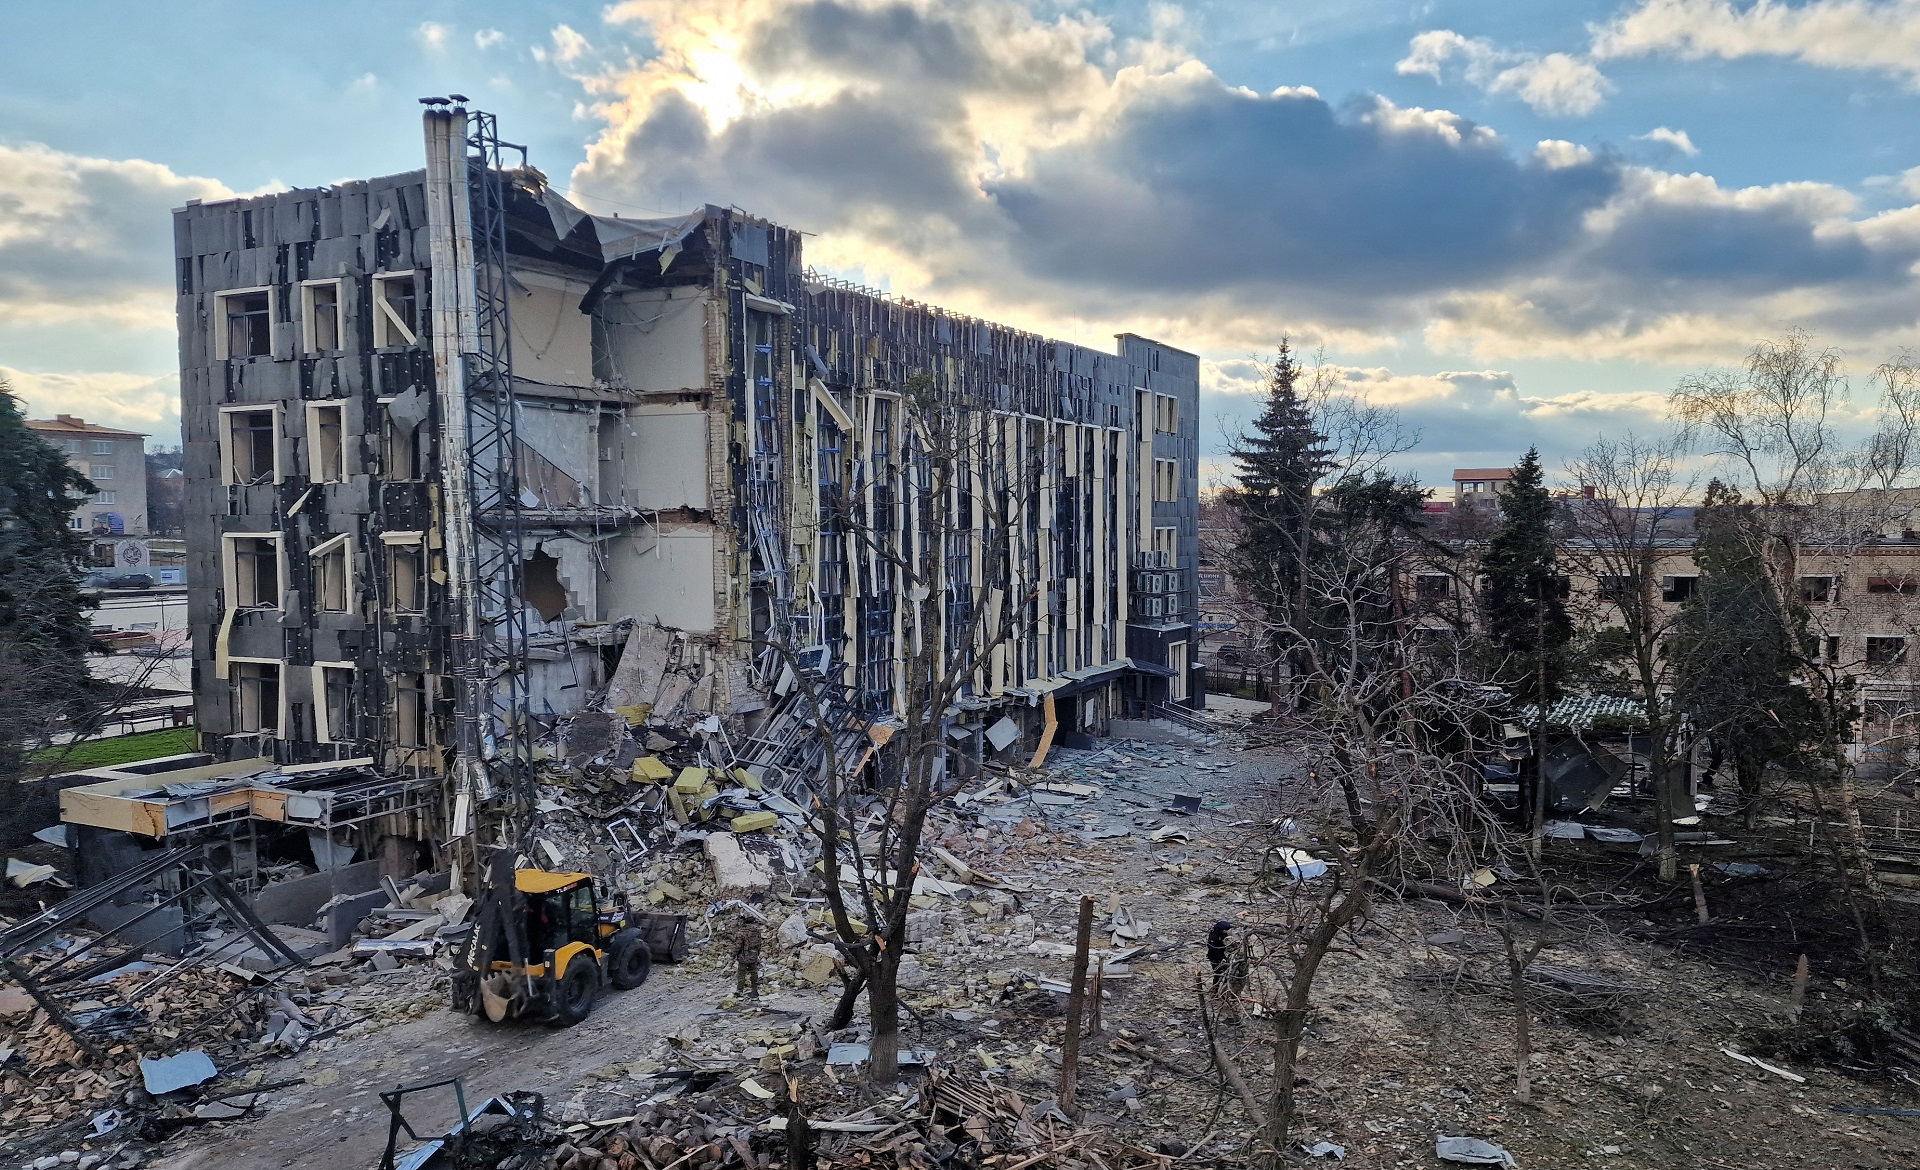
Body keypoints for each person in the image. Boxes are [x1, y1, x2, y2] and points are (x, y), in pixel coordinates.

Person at [733, 918, 764, 998]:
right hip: (753, 955)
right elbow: (759, 944)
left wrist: (733, 954)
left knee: (741, 974)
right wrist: (757, 953)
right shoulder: (757, 932)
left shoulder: (741, 933)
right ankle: (754, 990)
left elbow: (738, 946)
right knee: (754, 972)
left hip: (743, 956)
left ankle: (739, 990)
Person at [1206, 920, 1232, 990]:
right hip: (1215, 957)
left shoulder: (1221, 934)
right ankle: (1216, 989)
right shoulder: (1214, 938)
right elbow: (1214, 949)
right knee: (1218, 973)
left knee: (1227, 972)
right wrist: (1221, 958)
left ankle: (1224, 989)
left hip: (1223, 955)